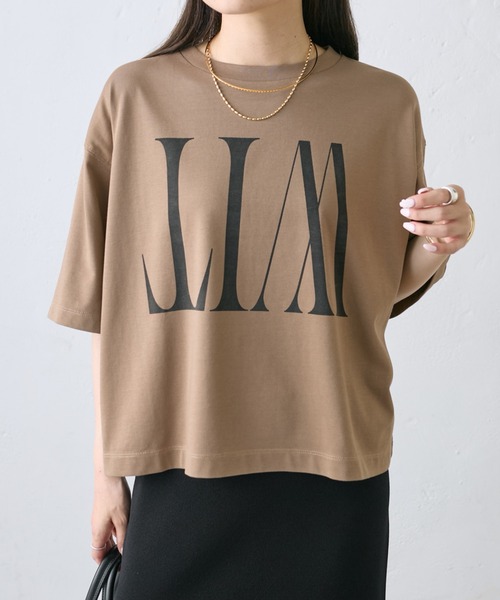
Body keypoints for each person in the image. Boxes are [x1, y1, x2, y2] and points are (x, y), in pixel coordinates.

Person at [47, 1, 475, 598]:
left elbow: (365, 288)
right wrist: (106, 474)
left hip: (332, 467)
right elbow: (109, 307)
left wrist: (438, 242)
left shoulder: (383, 103)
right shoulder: (136, 94)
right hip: (177, 465)